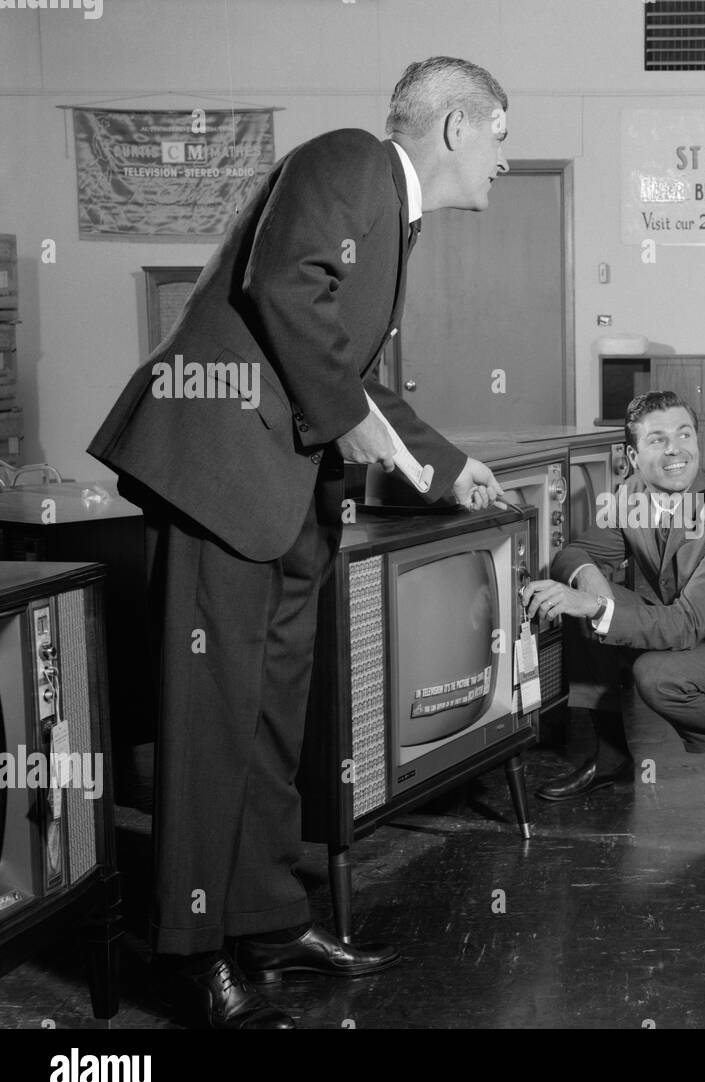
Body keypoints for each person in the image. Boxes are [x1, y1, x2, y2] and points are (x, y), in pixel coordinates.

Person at [87, 57, 508, 1029]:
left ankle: (267, 919)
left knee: (273, 720)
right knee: (211, 724)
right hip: (222, 474)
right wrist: (352, 420)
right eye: (498, 135)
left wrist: (443, 466)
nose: (500, 161)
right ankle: (189, 951)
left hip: (280, 491)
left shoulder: (389, 221)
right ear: (454, 126)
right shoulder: (352, 161)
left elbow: (352, 369)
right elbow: (281, 285)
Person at [521, 392, 705, 806]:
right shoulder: (631, 495)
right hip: (682, 629)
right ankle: (610, 759)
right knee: (581, 597)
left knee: (653, 673)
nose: (675, 449)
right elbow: (575, 553)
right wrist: (590, 590)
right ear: (633, 458)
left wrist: (596, 608)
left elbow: (686, 625)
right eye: (657, 439)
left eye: (685, 434)